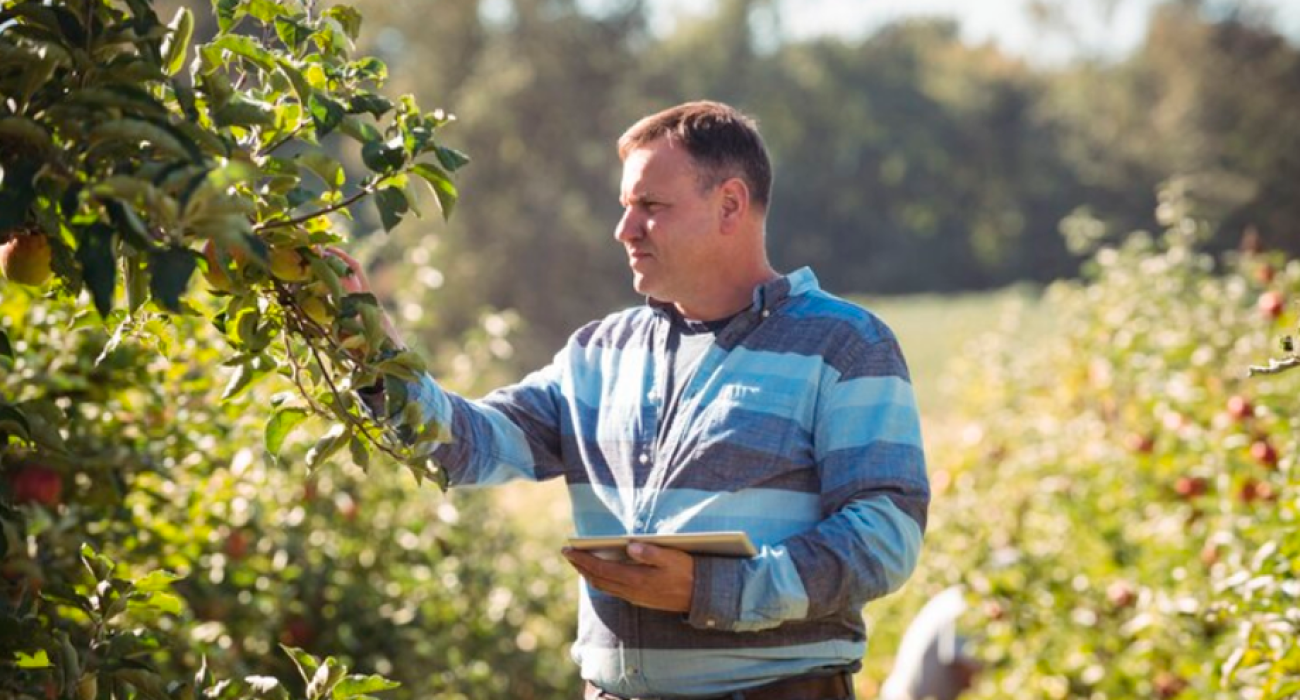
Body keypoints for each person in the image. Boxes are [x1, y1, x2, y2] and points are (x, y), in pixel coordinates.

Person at [340, 101, 929, 700]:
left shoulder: (845, 345)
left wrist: (710, 590)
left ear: (730, 204)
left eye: (651, 207)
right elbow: (466, 446)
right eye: (626, 207)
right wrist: (370, 352)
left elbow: (883, 536)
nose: (625, 230)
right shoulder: (600, 352)